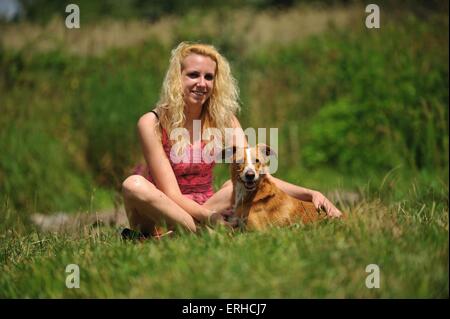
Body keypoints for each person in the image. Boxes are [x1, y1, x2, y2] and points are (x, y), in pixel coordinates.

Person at [121, 42, 342, 239]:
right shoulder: (151, 122)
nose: (202, 83)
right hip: (165, 211)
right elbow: (171, 194)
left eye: (209, 77)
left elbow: (254, 171)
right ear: (177, 78)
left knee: (231, 186)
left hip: (208, 207)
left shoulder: (224, 120)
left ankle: (182, 237)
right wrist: (211, 218)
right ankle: (196, 233)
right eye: (193, 75)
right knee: (134, 184)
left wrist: (311, 194)